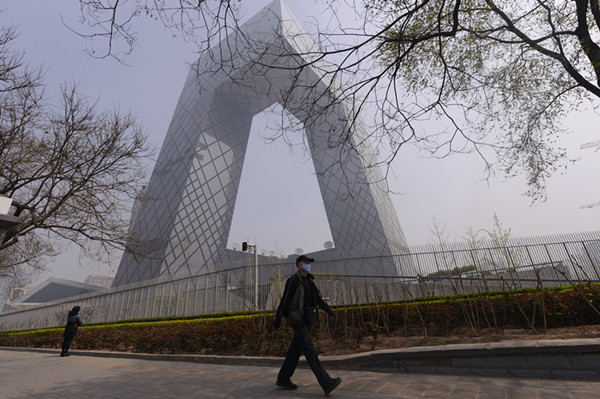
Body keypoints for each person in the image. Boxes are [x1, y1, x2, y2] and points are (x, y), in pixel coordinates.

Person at [274, 255, 342, 396]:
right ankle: (326, 382)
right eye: (306, 262)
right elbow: (285, 299)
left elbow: (317, 299)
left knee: (295, 350)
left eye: (309, 263)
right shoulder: (293, 281)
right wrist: (278, 317)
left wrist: (328, 310)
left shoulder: (309, 281)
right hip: (298, 320)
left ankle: (283, 378)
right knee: (310, 351)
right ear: (299, 265)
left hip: (308, 320)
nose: (308, 265)